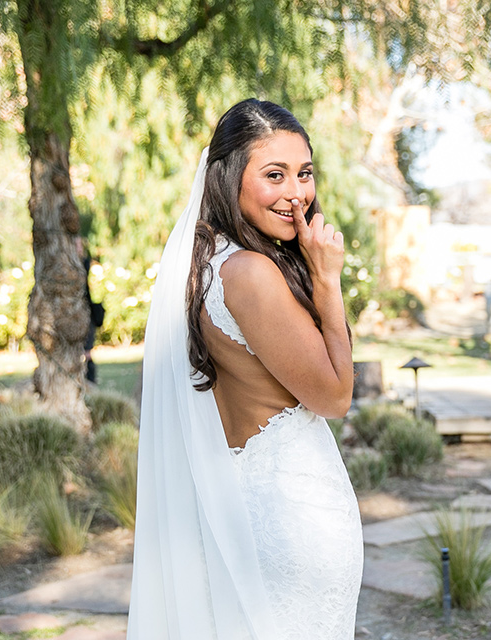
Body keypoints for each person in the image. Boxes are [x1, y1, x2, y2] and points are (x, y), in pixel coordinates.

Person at [127, 99, 362, 639]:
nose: (296, 193)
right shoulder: (251, 273)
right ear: (230, 178)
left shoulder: (206, 265)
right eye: (273, 175)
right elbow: (334, 397)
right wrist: (327, 283)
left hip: (256, 510)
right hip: (296, 520)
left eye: (304, 173)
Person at [76, 237, 102, 384]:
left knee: (87, 351)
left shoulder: (84, 263)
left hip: (87, 311)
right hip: (76, 312)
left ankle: (90, 380)